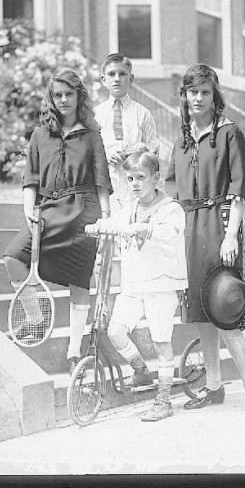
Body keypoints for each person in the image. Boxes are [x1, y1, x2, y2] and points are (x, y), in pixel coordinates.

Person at [165, 64, 245, 414]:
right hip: (189, 229)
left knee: (224, 306)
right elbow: (170, 190)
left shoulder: (229, 133)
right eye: (192, 92)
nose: (198, 98)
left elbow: (239, 190)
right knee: (200, 311)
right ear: (185, 96)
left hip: (220, 224)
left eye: (205, 92)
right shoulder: (182, 138)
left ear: (214, 95)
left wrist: (231, 236)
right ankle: (213, 384)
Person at [4, 67, 112, 375]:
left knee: (80, 281)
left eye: (69, 94)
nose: (63, 100)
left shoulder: (92, 135)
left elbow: (101, 178)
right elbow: (31, 177)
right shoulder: (40, 134)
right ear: (51, 98)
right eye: (58, 95)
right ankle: (35, 317)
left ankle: (74, 352)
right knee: (13, 256)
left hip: (83, 212)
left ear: (79, 96)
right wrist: (29, 207)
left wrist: (105, 217)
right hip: (47, 211)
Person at [85, 151, 188, 421]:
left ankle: (164, 401)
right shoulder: (129, 208)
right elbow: (115, 223)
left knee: (160, 340)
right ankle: (140, 369)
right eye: (130, 178)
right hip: (134, 282)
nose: (134, 183)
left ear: (156, 179)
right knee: (116, 330)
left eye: (141, 177)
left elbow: (172, 231)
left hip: (160, 283)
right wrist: (97, 226)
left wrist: (147, 230)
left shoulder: (170, 208)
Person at [93, 53, 160, 206]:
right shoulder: (96, 115)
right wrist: (105, 154)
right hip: (107, 182)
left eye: (122, 74)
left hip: (136, 184)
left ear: (131, 79)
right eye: (111, 74)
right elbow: (90, 149)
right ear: (104, 80)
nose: (117, 79)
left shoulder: (142, 113)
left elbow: (154, 148)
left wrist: (142, 150)